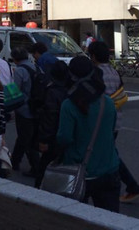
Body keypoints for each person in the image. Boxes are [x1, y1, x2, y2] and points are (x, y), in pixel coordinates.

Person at [56, 55, 120, 212]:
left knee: (77, 216)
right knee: (110, 218)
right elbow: (111, 131)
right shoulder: (108, 102)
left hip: (80, 170)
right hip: (109, 169)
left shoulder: (69, 105)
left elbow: (64, 138)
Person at [88, 40, 139, 204]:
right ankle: (132, 187)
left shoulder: (96, 73)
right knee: (110, 152)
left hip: (101, 121)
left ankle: (132, 186)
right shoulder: (114, 71)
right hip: (116, 119)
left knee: (110, 155)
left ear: (93, 56)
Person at [34, 60, 72, 188]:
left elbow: (49, 117)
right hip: (67, 134)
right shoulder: (71, 90)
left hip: (53, 136)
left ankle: (40, 192)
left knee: (44, 167)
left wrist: (44, 139)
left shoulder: (52, 91)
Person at [9, 47, 40, 177]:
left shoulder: (20, 71)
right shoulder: (35, 67)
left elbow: (14, 90)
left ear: (15, 59)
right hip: (36, 106)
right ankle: (15, 161)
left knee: (26, 139)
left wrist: (9, 107)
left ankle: (36, 168)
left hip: (24, 108)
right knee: (26, 137)